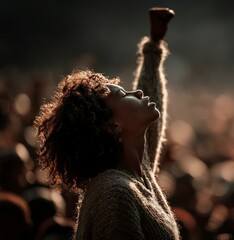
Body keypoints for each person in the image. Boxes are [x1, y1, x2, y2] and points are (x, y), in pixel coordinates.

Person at [34, 8, 180, 240]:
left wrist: (153, 46)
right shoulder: (114, 193)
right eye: (124, 95)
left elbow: (151, 110)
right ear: (113, 127)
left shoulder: (134, 173)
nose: (137, 91)